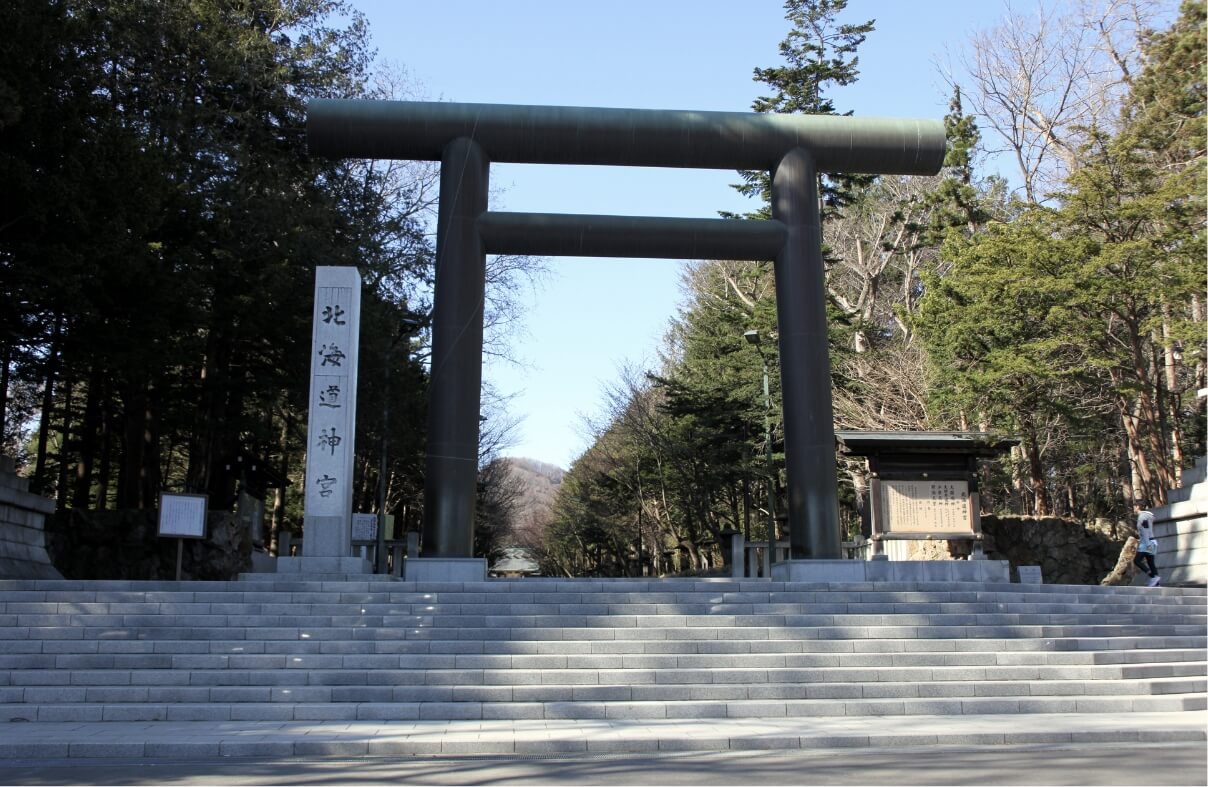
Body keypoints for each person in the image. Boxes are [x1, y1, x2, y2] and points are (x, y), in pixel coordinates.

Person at [1132, 501, 1160, 587]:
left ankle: (1153, 576)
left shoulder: (1142, 516)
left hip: (1146, 542)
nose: (1134, 508)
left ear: (1137, 507)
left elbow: (1145, 529)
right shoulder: (1148, 516)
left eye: (1134, 506)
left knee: (1136, 560)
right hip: (1152, 541)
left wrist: (1147, 543)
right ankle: (1157, 583)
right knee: (1151, 563)